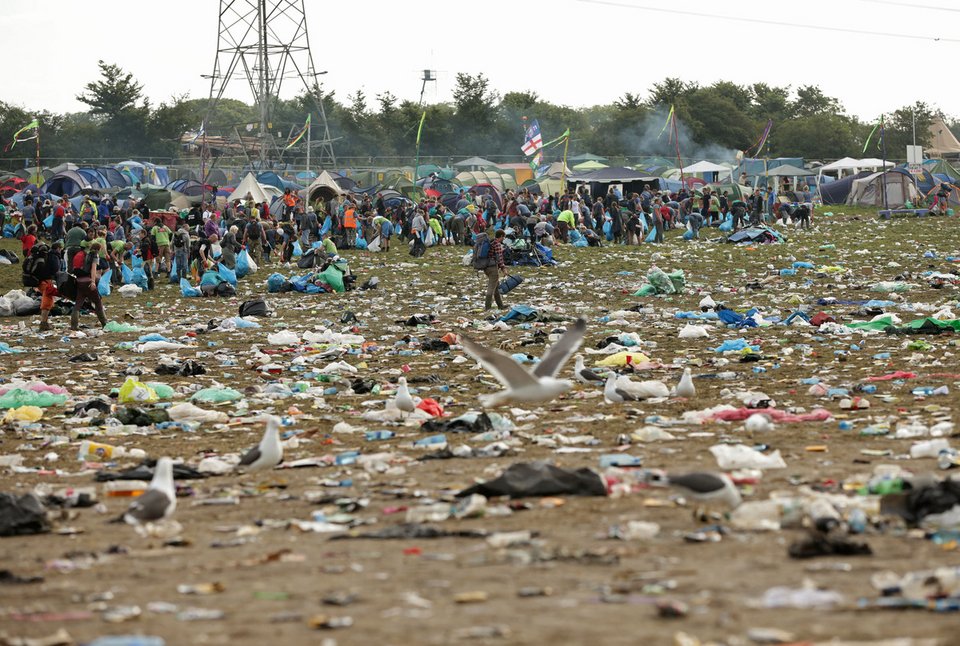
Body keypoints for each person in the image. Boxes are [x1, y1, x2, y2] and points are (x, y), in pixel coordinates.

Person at [71, 242, 107, 330]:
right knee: (98, 302)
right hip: (88, 281)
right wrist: (93, 281)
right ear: (98, 249)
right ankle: (105, 324)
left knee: (78, 304)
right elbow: (93, 268)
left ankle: (74, 326)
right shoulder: (94, 255)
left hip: (79, 281)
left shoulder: (84, 254)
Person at [37, 241, 63, 331]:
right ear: (59, 248)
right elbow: (56, 270)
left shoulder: (47, 255)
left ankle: (44, 322)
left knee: (47, 301)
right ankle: (43, 323)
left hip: (41, 280)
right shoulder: (54, 256)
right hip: (46, 281)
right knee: (47, 303)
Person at [483, 229, 506, 311]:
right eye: (503, 237)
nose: (503, 239)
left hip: (486, 267)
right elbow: (499, 258)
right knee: (491, 288)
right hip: (493, 268)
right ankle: (487, 307)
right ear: (501, 236)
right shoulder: (497, 244)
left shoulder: (491, 242)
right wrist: (504, 269)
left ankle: (500, 305)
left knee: (496, 286)